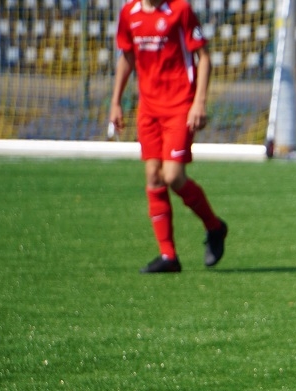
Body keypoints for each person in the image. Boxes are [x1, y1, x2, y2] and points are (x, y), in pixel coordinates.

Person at [109, 0, 228, 274]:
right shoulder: (129, 13)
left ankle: (215, 227)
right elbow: (127, 56)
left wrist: (199, 102)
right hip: (148, 108)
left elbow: (204, 58)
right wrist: (115, 101)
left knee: (173, 176)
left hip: (180, 105)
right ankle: (168, 255)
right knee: (153, 176)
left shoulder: (180, 10)